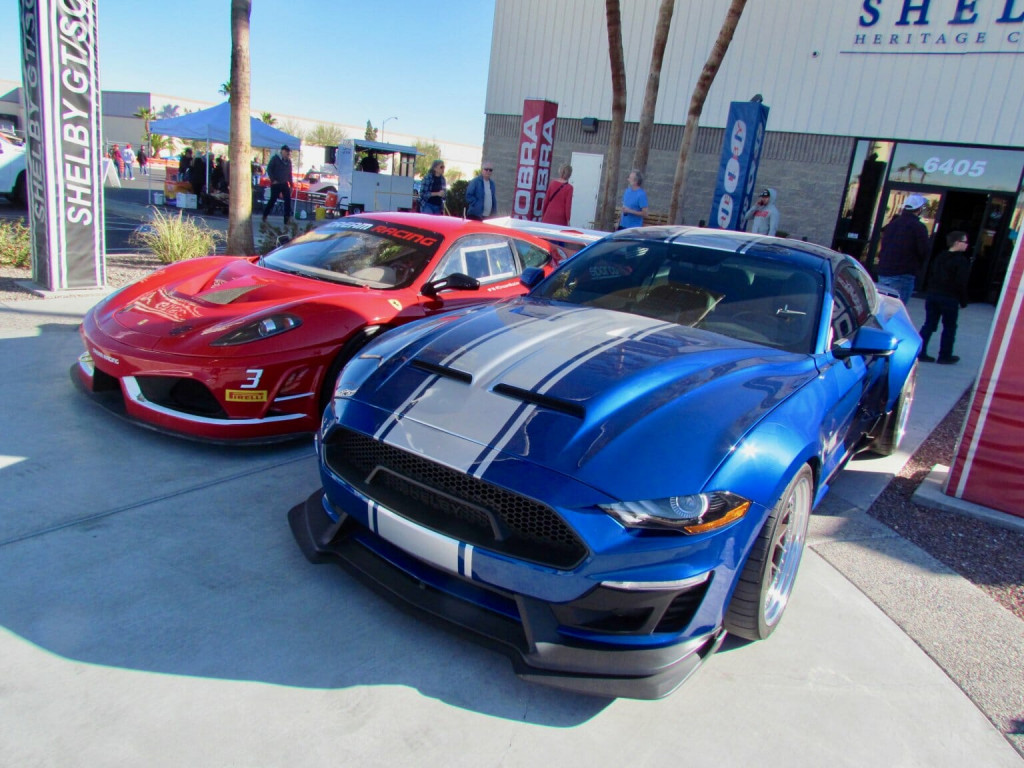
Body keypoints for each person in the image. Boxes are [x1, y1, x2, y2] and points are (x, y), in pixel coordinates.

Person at [918, 230, 972, 365]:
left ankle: (920, 351)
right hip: (949, 297)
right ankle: (945, 355)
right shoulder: (961, 261)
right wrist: (963, 300)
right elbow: (961, 282)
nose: (967, 245)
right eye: (965, 242)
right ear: (957, 243)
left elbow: (931, 274)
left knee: (929, 324)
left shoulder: (940, 257)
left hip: (933, 295)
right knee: (949, 327)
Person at [876, 193, 930, 305]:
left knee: (883, 308)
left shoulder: (893, 224)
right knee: (896, 309)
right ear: (919, 209)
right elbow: (923, 251)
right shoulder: (918, 227)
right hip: (903, 273)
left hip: (884, 271)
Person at [263, 144, 294, 225]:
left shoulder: (289, 162)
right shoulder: (275, 159)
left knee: (287, 201)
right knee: (273, 200)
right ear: (282, 151)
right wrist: (273, 180)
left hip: (284, 183)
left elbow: (289, 174)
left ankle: (286, 219)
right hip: (276, 183)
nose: (288, 153)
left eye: (288, 152)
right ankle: (265, 215)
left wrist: (291, 185)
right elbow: (269, 169)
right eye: (286, 151)